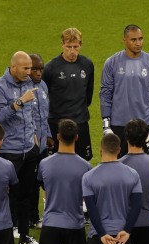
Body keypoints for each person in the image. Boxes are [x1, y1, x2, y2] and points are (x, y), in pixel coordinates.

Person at [0, 51, 41, 244]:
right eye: (25, 68)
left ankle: (25, 235)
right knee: (4, 196)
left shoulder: (27, 84)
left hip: (28, 149)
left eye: (30, 68)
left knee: (26, 194)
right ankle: (2, 237)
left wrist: (35, 135)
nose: (29, 72)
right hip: (9, 151)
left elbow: (32, 114)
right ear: (13, 67)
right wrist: (19, 102)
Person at [100, 24, 149, 157]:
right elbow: (105, 94)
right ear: (124, 40)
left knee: (143, 166)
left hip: (143, 125)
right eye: (133, 40)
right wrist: (106, 126)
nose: (138, 43)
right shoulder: (112, 62)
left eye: (140, 39)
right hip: (118, 125)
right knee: (117, 167)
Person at [43, 27, 95, 161]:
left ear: (81, 45)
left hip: (81, 122)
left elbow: (88, 95)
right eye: (68, 47)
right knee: (55, 161)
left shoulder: (87, 65)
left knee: (83, 161)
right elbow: (44, 96)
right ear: (62, 45)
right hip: (57, 124)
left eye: (75, 47)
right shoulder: (51, 67)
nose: (72, 51)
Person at [28, 53, 54, 228]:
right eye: (34, 69)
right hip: (30, 145)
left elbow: (44, 116)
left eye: (40, 69)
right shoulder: (24, 89)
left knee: (41, 180)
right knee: (29, 184)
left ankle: (35, 218)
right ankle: (29, 218)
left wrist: (49, 135)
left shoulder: (43, 85)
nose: (38, 73)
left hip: (43, 143)